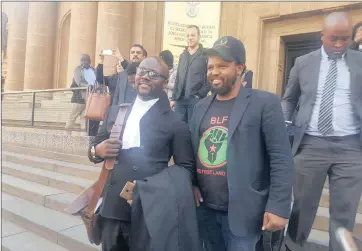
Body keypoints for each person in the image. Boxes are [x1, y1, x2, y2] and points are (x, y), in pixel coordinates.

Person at [190, 36, 294, 251]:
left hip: (244, 213)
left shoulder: (264, 103)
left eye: (222, 66)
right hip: (205, 210)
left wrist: (278, 206)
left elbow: (281, 158)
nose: (214, 72)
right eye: (210, 67)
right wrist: (191, 183)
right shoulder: (200, 107)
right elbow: (192, 150)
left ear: (239, 68)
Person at [88, 56, 196, 251]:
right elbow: (93, 147)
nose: (145, 77)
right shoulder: (117, 110)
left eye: (153, 74)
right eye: (142, 71)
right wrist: (98, 150)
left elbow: (185, 169)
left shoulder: (175, 122)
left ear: (165, 82)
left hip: (149, 211)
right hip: (112, 209)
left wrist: (152, 186)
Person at [281, 12, 362, 251]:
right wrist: (286, 128)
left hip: (350, 148)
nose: (339, 45)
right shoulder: (303, 63)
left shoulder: (360, 62)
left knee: (344, 213)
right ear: (322, 37)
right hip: (311, 145)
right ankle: (293, 247)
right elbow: (288, 99)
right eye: (333, 39)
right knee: (301, 209)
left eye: (345, 39)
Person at [170, 25, 210, 123]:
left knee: (193, 129)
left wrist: (200, 95)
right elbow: (178, 78)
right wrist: (174, 98)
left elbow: (210, 77)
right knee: (178, 128)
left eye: (192, 35)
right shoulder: (183, 56)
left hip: (196, 100)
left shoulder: (205, 55)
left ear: (199, 37)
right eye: (187, 36)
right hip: (180, 100)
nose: (190, 38)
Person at [65, 54, 97, 134]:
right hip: (78, 98)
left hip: (90, 98)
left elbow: (97, 80)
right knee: (72, 117)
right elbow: (79, 82)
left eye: (86, 60)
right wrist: (89, 86)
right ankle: (66, 135)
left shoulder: (93, 70)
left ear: (89, 61)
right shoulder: (78, 70)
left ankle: (84, 137)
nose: (84, 62)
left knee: (84, 118)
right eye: (82, 60)